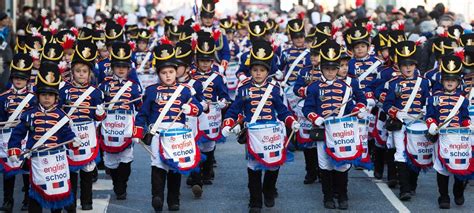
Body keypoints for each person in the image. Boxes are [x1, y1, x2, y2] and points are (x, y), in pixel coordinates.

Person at [222, 40, 300, 213]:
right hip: (253, 134)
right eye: (255, 70)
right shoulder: (243, 88)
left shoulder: (274, 88)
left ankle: (269, 191)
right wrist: (228, 123)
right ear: (250, 70)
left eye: (262, 70)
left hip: (272, 132)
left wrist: (291, 122)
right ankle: (255, 201)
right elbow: (234, 110)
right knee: (254, 168)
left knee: (273, 165)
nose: (258, 73)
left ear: (268, 71)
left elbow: (282, 110)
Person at [134, 43, 203, 212]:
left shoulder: (185, 90)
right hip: (158, 134)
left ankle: (174, 200)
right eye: (164, 73)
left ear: (176, 72)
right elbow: (142, 113)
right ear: (158, 74)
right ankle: (157, 197)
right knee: (158, 165)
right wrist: (138, 132)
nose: (168, 76)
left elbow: (199, 108)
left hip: (177, 135)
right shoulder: (151, 91)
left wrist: (191, 109)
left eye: (171, 72)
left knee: (174, 167)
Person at [7, 61, 82, 212]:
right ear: (38, 95)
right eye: (43, 94)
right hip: (36, 160)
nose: (47, 98)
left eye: (50, 95)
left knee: (59, 193)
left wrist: (74, 140)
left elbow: (67, 133)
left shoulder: (62, 116)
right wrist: (13, 148)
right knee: (35, 194)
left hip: (57, 161)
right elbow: (18, 133)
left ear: (56, 97)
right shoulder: (29, 114)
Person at [303, 40, 367, 210]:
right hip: (324, 131)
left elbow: (357, 102)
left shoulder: (348, 85)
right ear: (321, 68)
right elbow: (307, 108)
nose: (330, 72)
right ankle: (328, 197)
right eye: (327, 68)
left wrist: (359, 109)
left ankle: (343, 195)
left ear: (338, 68)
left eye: (333, 68)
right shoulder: (314, 87)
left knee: (343, 164)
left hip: (342, 131)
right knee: (325, 164)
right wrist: (316, 118)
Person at [58, 40, 105, 211]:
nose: (81, 74)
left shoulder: (96, 92)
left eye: (84, 71)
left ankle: (87, 202)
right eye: (77, 71)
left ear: (90, 73)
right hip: (69, 133)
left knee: (87, 169)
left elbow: (99, 117)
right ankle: (70, 203)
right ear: (72, 72)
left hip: (88, 135)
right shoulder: (63, 90)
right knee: (70, 171)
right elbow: (58, 111)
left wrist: (100, 112)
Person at [383, 41, 431, 201]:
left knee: (415, 153)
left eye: (411, 64)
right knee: (400, 153)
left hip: (418, 123)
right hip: (400, 123)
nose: (408, 68)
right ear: (399, 65)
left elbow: (428, 101)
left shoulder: (424, 82)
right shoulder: (392, 83)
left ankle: (412, 184)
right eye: (404, 65)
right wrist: (396, 113)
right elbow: (387, 104)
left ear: (415, 65)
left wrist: (426, 108)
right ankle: (404, 188)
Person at [425, 55, 473, 209]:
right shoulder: (434, 98)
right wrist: (431, 124)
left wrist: (468, 125)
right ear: (442, 81)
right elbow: (430, 116)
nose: (450, 82)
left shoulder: (463, 100)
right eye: (447, 80)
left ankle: (458, 192)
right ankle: (443, 196)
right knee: (441, 168)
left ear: (458, 82)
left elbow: (465, 117)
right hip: (442, 138)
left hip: (458, 138)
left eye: (453, 80)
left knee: (460, 166)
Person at [98, 41, 142, 200]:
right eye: (118, 66)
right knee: (110, 161)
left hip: (126, 127)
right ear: (112, 67)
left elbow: (140, 106)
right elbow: (98, 103)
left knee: (126, 159)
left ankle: (121, 185)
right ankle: (117, 181)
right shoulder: (104, 86)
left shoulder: (135, 87)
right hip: (109, 126)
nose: (121, 69)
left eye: (124, 66)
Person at [192, 34, 231, 185]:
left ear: (212, 61)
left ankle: (207, 171)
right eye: (202, 60)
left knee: (208, 145)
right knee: (193, 144)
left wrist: (222, 102)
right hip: (195, 115)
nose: (204, 64)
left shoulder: (218, 77)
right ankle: (195, 174)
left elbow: (225, 96)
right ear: (197, 60)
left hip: (211, 115)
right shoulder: (190, 75)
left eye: (208, 60)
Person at [0, 53, 36, 212]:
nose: (18, 80)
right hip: (8, 137)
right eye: (16, 77)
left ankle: (28, 198)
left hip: (26, 137)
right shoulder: (3, 97)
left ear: (27, 79)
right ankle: (8, 200)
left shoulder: (33, 98)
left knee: (27, 169)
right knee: (8, 171)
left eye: (22, 77)